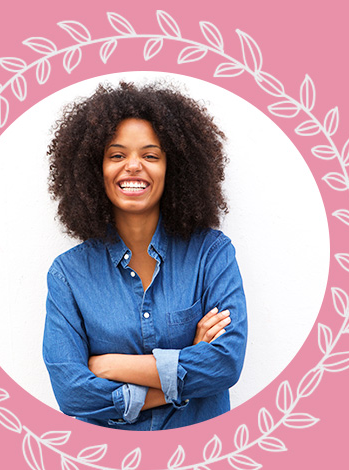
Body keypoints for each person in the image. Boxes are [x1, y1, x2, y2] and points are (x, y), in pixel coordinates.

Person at [42, 81, 247, 430]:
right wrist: (184, 370)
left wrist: (109, 367)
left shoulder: (212, 255)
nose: (134, 166)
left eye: (150, 155)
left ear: (174, 168)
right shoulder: (68, 275)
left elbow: (225, 364)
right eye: (117, 155)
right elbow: (72, 394)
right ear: (95, 169)